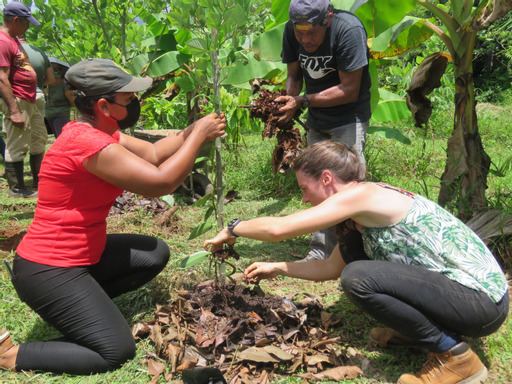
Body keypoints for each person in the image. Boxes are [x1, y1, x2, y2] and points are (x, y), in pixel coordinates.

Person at [204, 141, 509, 384]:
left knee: (359, 277)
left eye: (304, 189)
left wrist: (233, 228)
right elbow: (330, 268)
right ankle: (420, 331)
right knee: (353, 265)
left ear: (326, 179)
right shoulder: (357, 216)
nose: (304, 199)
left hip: (481, 302)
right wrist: (278, 268)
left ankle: (456, 357)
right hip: (462, 298)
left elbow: (278, 228)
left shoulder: (364, 195)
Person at [0, 58, 226, 375]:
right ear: (105, 106)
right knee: (115, 351)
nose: (136, 103)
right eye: (130, 99)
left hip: (81, 256)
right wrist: (199, 137)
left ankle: (85, 306)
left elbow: (156, 152)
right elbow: (160, 182)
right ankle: (12, 354)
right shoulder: (88, 144)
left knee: (154, 252)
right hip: (48, 269)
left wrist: (192, 129)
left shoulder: (99, 132)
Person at [276, 0, 372, 262]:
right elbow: (294, 76)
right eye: (300, 33)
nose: (305, 39)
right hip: (317, 117)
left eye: (312, 33)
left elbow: (350, 89)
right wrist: (289, 103)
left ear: (327, 19)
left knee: (349, 184)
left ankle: (359, 250)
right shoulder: (290, 30)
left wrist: (302, 102)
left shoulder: (348, 30)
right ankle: (320, 251)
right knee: (317, 184)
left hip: (348, 117)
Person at [0, 2, 42, 198]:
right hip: (18, 99)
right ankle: (16, 188)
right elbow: (1, 78)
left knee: (39, 138)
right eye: (27, 22)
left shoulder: (13, 38)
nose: (28, 26)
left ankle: (38, 181)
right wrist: (14, 110)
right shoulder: (3, 41)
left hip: (29, 99)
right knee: (17, 143)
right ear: (16, 20)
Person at [20, 36, 55, 190]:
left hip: (18, 96)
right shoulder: (40, 52)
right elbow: (51, 79)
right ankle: (37, 181)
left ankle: (17, 185)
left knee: (15, 140)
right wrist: (38, 83)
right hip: (38, 95)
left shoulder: (9, 50)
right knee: (38, 139)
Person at [45, 57, 75, 137]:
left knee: (61, 136)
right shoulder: (45, 84)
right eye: (51, 68)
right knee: (57, 136)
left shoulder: (64, 84)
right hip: (48, 114)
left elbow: (71, 100)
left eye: (56, 69)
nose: (54, 71)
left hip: (61, 114)